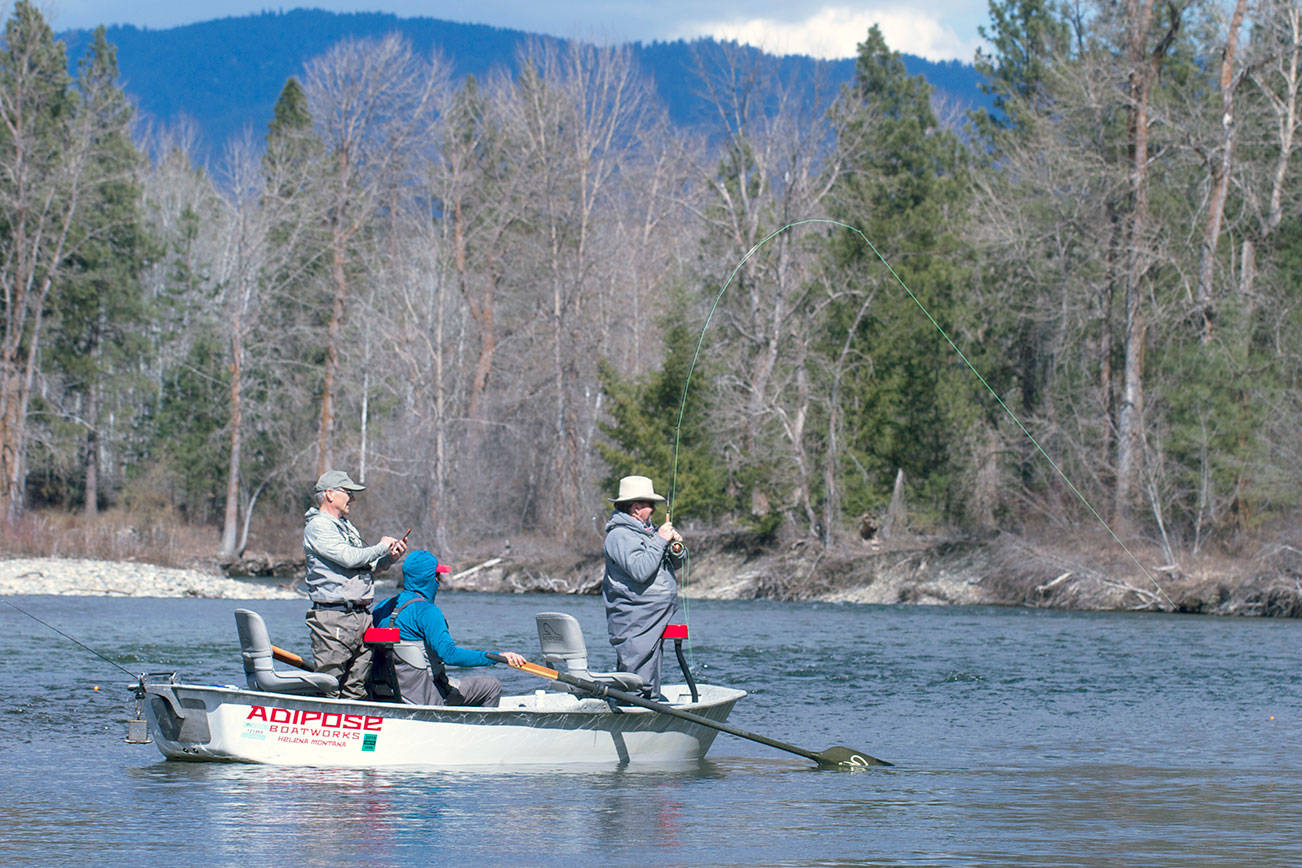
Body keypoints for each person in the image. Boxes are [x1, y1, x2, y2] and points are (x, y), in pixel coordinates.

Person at [372, 549, 527, 706]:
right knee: (491, 686)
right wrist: (496, 657)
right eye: (437, 576)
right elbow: (450, 655)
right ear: (430, 579)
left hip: (390, 693)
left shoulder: (382, 607)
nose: (438, 582)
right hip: (427, 697)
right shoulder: (428, 612)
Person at [303, 469, 408, 699]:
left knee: (357, 687)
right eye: (348, 492)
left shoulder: (346, 526)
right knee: (329, 685)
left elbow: (366, 567)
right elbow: (348, 557)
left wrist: (390, 557)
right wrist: (381, 546)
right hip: (334, 618)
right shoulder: (319, 526)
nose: (353, 498)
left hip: (361, 617)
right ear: (330, 494)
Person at [602, 475, 684, 700]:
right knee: (638, 676)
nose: (654, 510)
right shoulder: (619, 536)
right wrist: (659, 541)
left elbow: (675, 563)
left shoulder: (649, 532)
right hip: (635, 616)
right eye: (651, 505)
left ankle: (647, 706)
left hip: (653, 614)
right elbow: (640, 571)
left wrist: (675, 546)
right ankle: (635, 711)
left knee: (650, 669)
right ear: (636, 508)